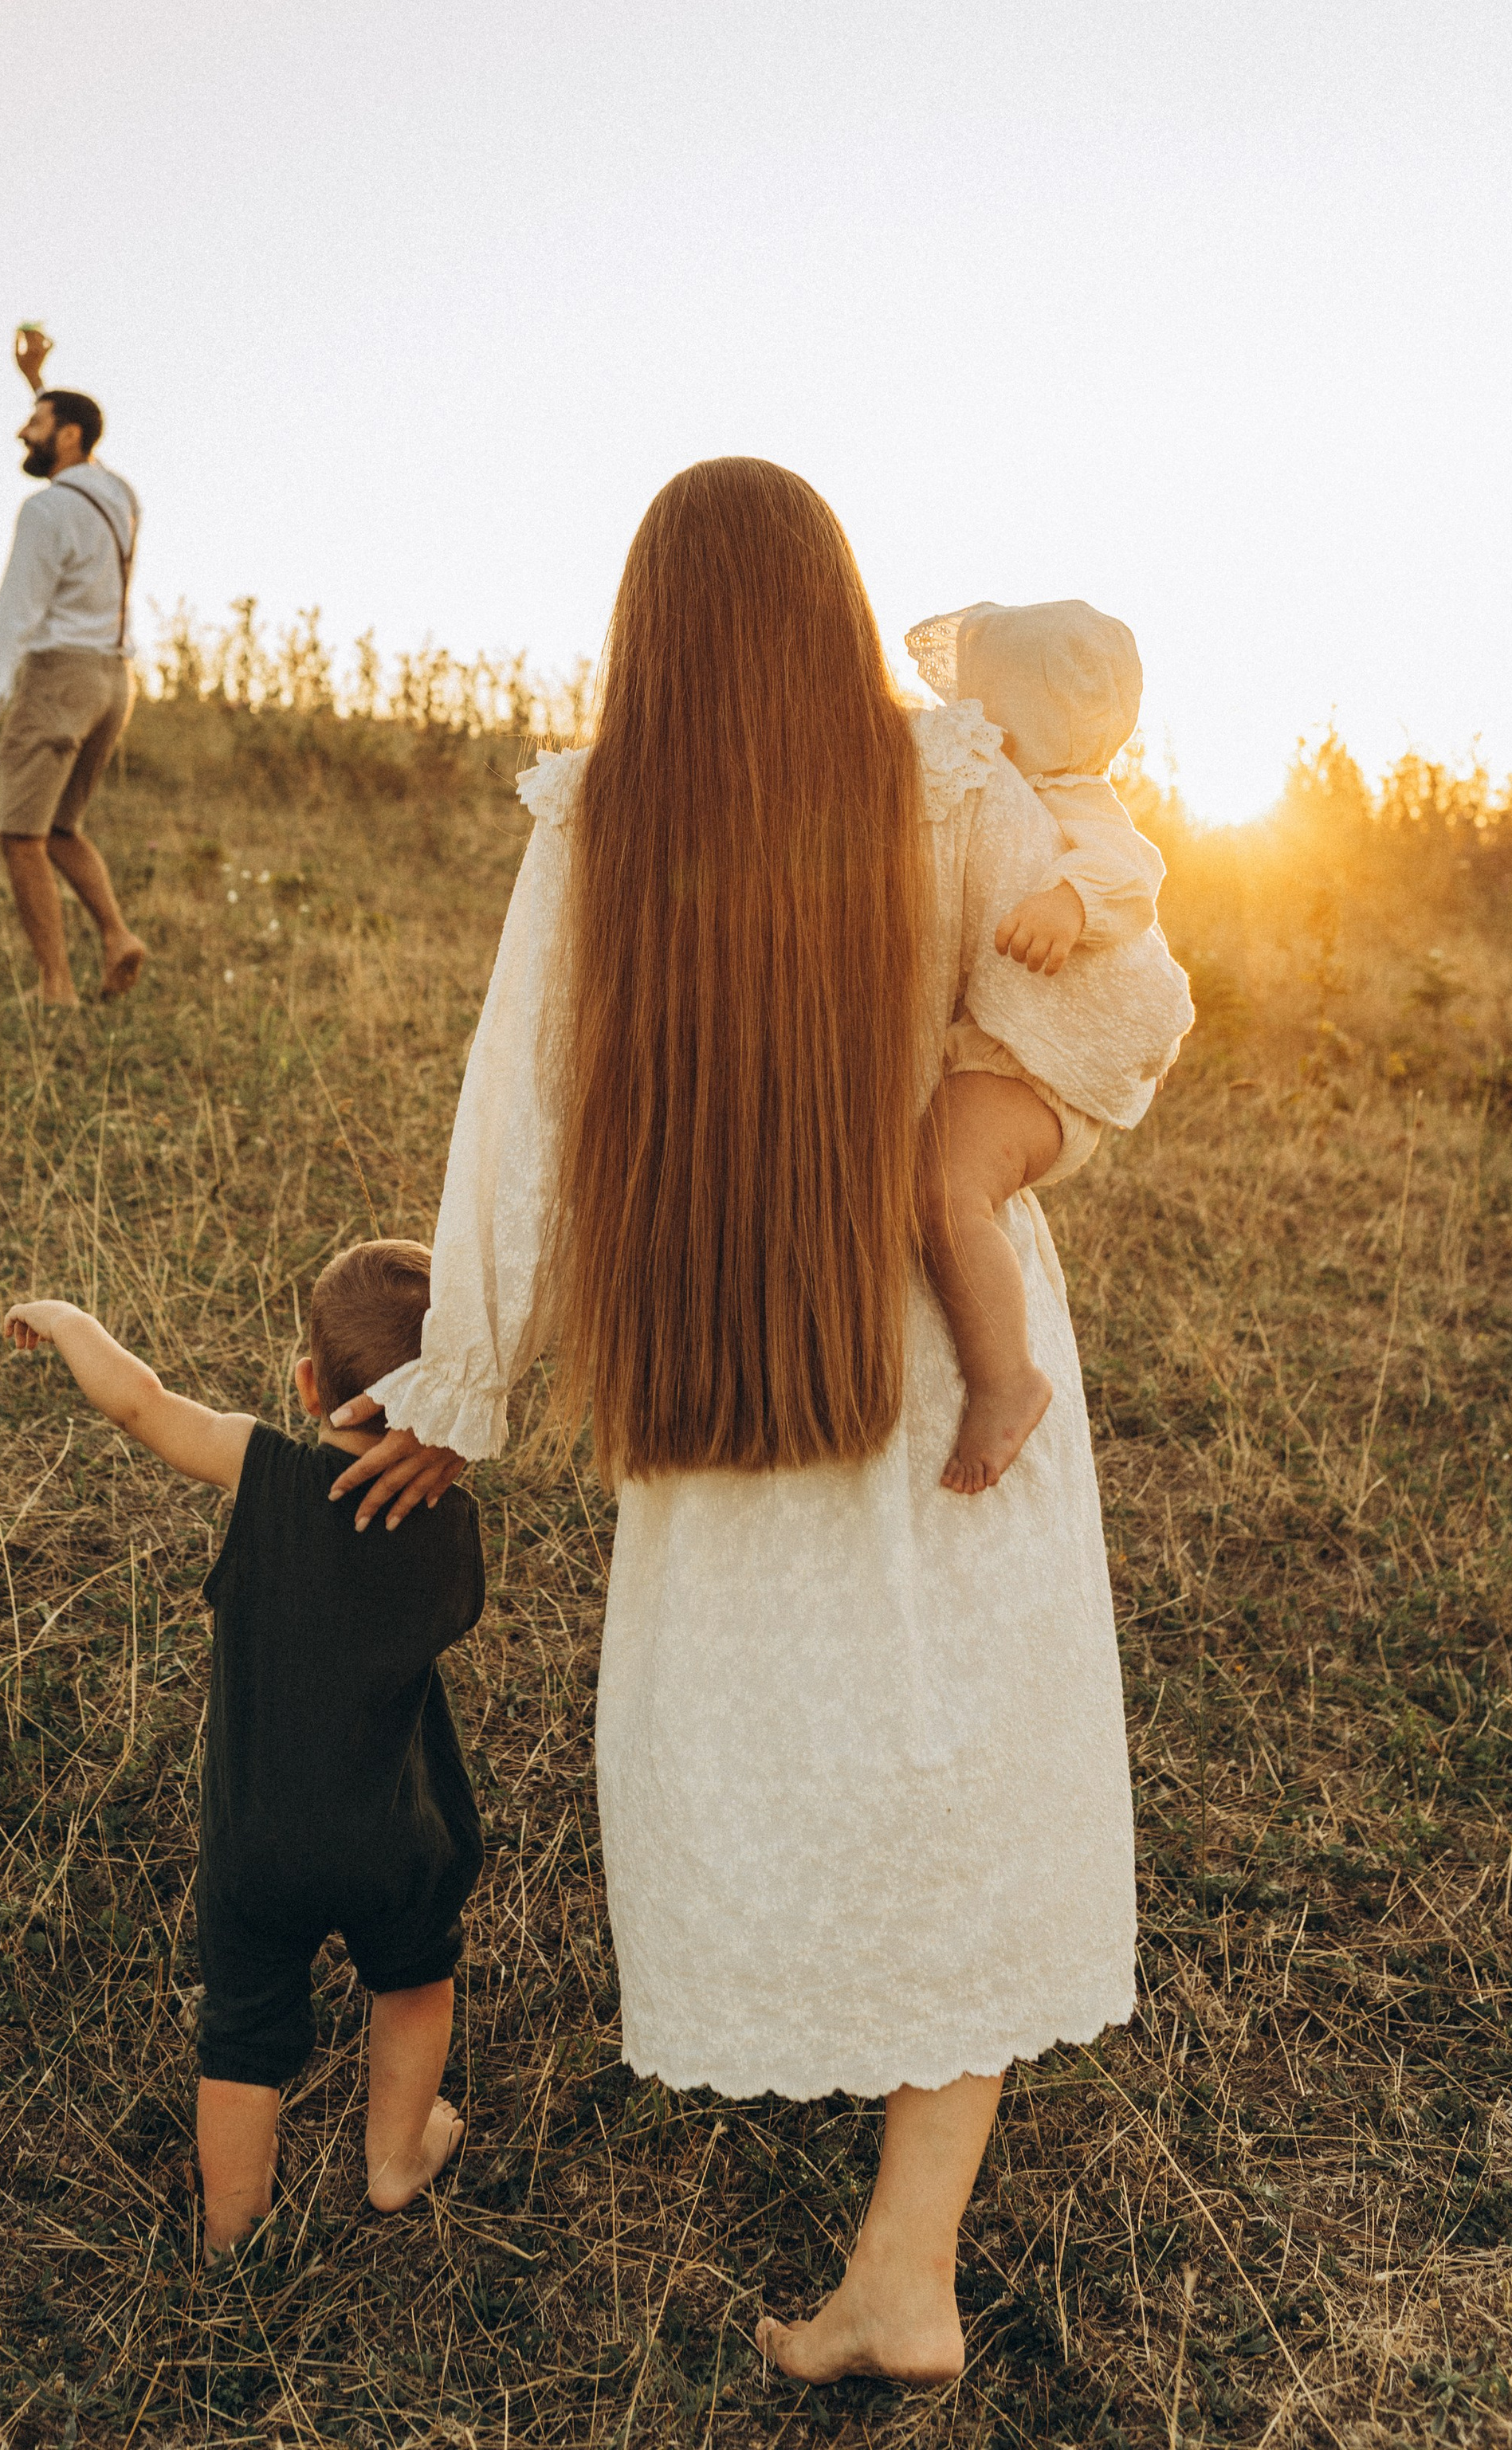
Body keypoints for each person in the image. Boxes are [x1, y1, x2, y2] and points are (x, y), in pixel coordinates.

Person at [325, 461, 1194, 2389]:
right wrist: (983, 1138)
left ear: (654, 630)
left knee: (777, 1744)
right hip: (945, 1362)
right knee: (958, 1762)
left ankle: (892, 2262)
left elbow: (520, 1126)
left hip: (739, 1349)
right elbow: (1129, 1001)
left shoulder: (602, 821)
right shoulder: (959, 786)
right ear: (831, 604)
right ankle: (907, 2254)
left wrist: (460, 1384)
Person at [0, 1238, 483, 2254]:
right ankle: (395, 2159)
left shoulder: (263, 1473)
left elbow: (139, 1403)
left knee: (245, 2031)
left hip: (261, 1840)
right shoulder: (450, 1521)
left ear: (307, 1385)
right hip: (397, 1831)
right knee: (413, 1980)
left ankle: (232, 2234)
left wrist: (71, 1323)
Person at [903, 599, 1176, 1495]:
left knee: (943, 1189)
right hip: (1003, 1052)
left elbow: (1133, 878)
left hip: (1047, 1067)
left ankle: (1004, 1379)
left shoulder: (1076, 800)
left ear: (1050, 721)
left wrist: (1069, 904)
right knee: (926, 1175)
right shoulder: (992, 786)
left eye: (993, 710)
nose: (969, 725)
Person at [0, 325, 147, 1005]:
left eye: (35, 423)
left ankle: (55, 987)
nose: (22, 434)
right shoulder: (120, 497)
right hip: (113, 683)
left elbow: (14, 619)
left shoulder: (43, 513)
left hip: (59, 679)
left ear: (66, 436)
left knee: (21, 833)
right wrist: (39, 385)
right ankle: (119, 937)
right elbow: (85, 452)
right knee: (63, 827)